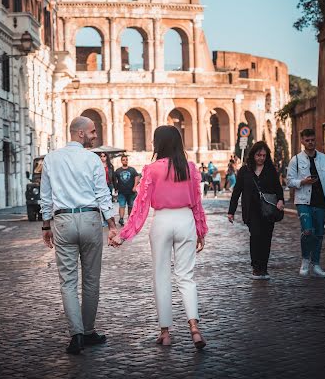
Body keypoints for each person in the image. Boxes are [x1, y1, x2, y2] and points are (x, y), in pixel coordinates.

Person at [111, 125, 208, 349]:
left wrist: (124, 235)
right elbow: (197, 203)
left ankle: (165, 332)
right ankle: (194, 327)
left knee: (161, 275)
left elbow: (141, 207)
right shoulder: (190, 168)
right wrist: (200, 230)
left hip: (162, 221)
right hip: (186, 221)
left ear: (159, 143)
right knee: (186, 276)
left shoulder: (151, 169)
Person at [40, 116, 118, 355]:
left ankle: (76, 335)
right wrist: (112, 224)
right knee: (91, 279)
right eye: (93, 132)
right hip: (90, 219)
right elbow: (102, 194)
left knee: (68, 281)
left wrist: (46, 226)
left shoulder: (51, 159)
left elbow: (46, 196)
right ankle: (88, 331)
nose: (96, 135)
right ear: (81, 134)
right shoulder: (92, 160)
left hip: (62, 221)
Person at [227, 141, 284, 280]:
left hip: (268, 210)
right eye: (259, 155)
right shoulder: (244, 171)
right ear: (253, 155)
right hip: (251, 210)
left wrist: (281, 200)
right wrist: (231, 211)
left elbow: (278, 188)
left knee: (266, 238)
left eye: (264, 155)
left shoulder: (271, 170)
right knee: (256, 236)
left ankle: (264, 267)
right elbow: (237, 192)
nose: (261, 158)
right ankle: (256, 267)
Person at [286, 128, 325, 278]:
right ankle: (305, 260)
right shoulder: (296, 160)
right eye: (307, 140)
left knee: (318, 234)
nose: (310, 142)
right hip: (303, 201)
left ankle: (316, 264)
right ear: (302, 141)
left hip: (320, 201)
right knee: (307, 231)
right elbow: (289, 181)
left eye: (312, 140)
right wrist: (303, 182)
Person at [114, 155, 139, 226]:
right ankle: (121, 219)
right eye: (123, 160)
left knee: (130, 206)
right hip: (121, 191)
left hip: (131, 191)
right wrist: (116, 188)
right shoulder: (118, 170)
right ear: (121, 161)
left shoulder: (132, 169)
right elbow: (114, 179)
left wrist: (135, 186)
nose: (125, 161)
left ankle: (130, 219)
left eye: (126, 159)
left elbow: (137, 177)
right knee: (122, 205)